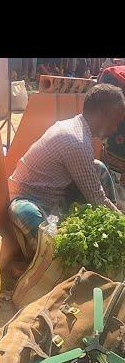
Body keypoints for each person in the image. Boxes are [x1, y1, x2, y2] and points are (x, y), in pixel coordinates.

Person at [8, 84, 125, 266]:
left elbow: (94, 190)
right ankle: (43, 259)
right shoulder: (75, 141)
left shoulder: (77, 129)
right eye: (117, 122)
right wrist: (122, 224)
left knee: (98, 168)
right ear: (105, 114)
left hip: (55, 197)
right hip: (30, 200)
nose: (115, 128)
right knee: (25, 214)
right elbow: (97, 199)